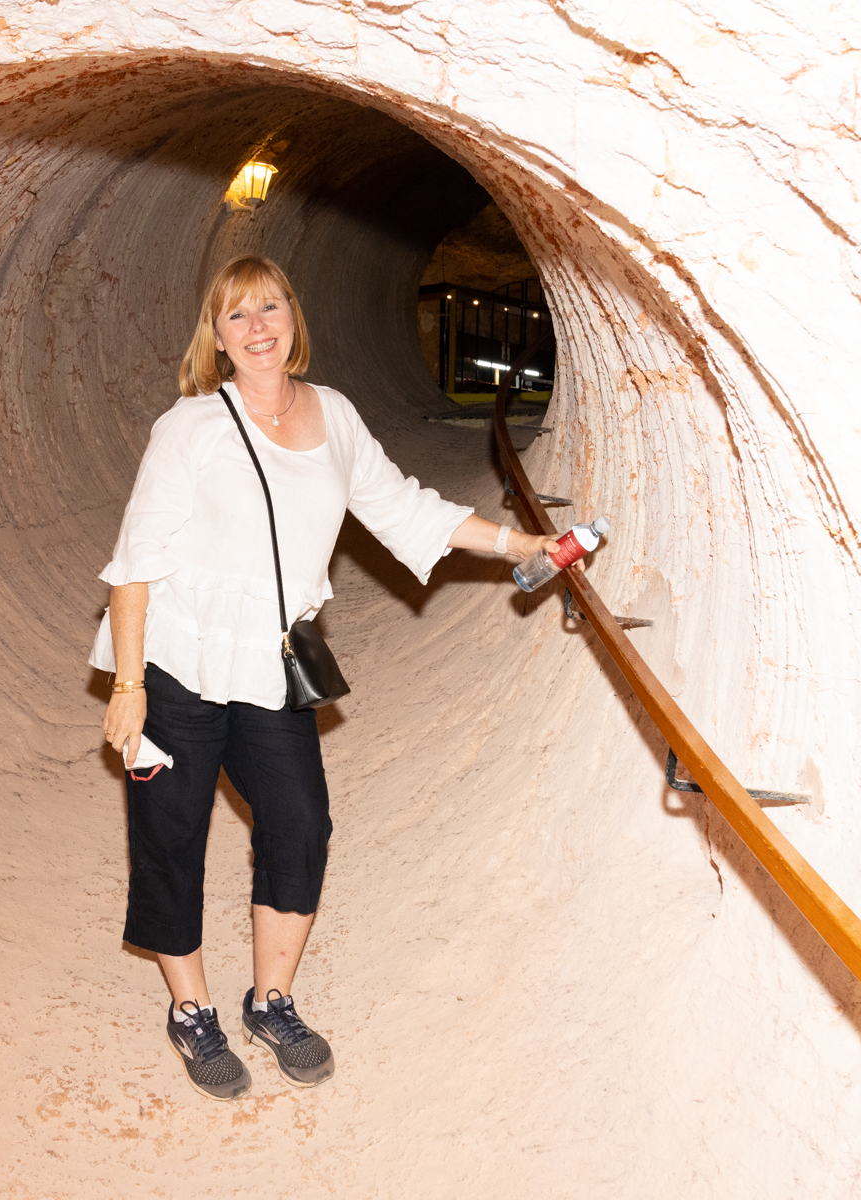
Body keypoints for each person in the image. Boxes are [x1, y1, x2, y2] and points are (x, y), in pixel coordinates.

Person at [90, 255, 559, 1101]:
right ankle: (190, 1010)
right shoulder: (190, 427)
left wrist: (518, 544)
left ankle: (272, 1002)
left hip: (271, 664)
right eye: (237, 316)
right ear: (218, 337)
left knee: (300, 822)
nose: (258, 325)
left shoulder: (334, 416)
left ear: (294, 319)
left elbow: (405, 506)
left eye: (270, 307)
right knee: (172, 832)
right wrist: (128, 687)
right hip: (177, 661)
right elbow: (135, 565)